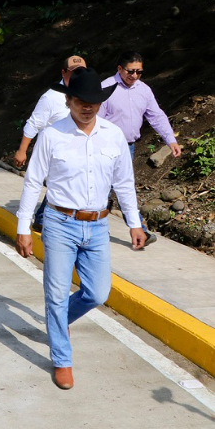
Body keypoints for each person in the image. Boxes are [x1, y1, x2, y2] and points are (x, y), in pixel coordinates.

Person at [15, 67, 145, 390]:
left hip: (98, 225)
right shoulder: (52, 135)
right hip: (60, 223)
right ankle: (62, 359)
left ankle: (58, 321)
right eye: (80, 101)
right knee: (57, 293)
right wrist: (23, 226)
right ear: (69, 101)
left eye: (93, 102)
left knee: (98, 293)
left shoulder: (113, 135)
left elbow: (124, 183)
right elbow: (33, 182)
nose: (87, 107)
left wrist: (134, 222)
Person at [99, 51, 182, 246]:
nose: (134, 75)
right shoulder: (105, 88)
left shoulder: (144, 90)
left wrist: (170, 140)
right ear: (120, 69)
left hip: (127, 148)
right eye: (131, 71)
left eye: (139, 72)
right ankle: (99, 229)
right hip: (104, 147)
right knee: (102, 189)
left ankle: (139, 231)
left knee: (124, 188)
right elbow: (95, 119)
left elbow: (156, 116)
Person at [13, 55, 87, 231]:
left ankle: (44, 218)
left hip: (77, 152)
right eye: (73, 72)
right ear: (64, 72)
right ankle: (39, 218)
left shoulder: (88, 95)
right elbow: (34, 123)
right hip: (53, 152)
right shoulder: (51, 98)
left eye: (82, 72)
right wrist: (22, 150)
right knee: (56, 184)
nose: (78, 75)